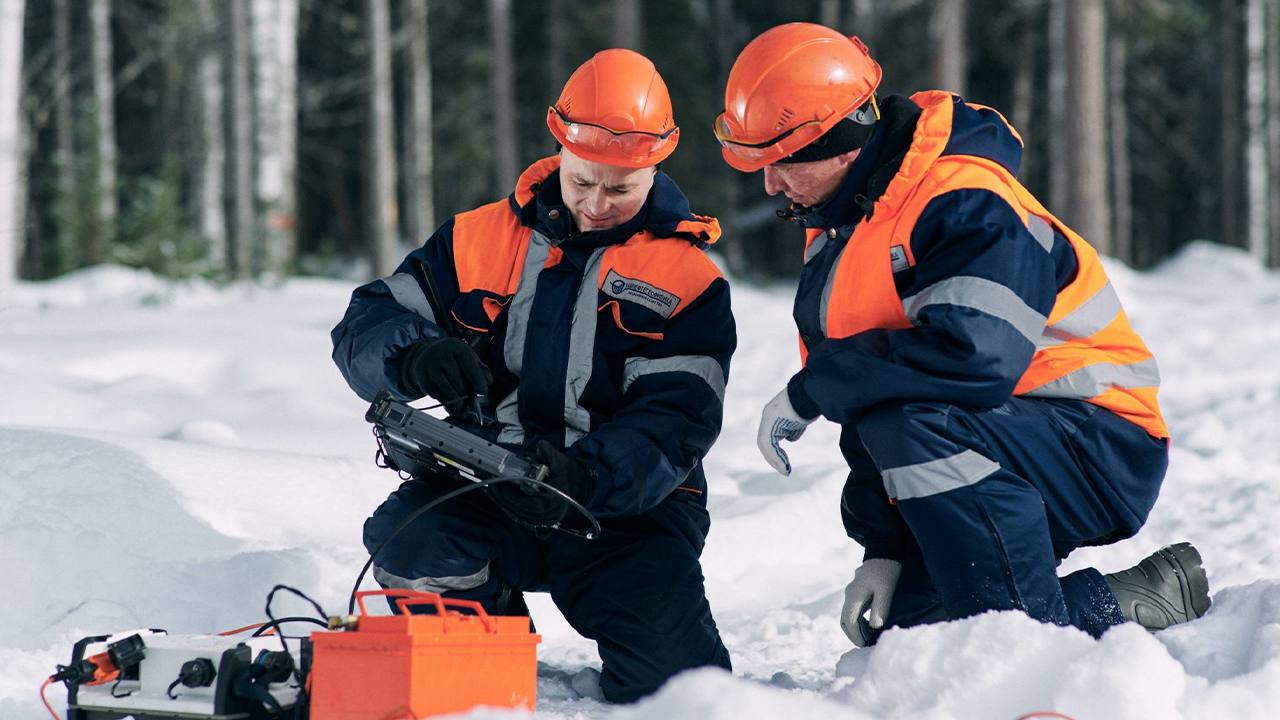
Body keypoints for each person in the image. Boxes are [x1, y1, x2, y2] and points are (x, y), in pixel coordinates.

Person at [714, 22, 1209, 647]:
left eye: (781, 163)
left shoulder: (966, 201)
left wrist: (811, 391)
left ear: (840, 143)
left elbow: (973, 360)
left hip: (1098, 441)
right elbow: (877, 396)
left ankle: (1021, 643)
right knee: (913, 635)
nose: (769, 184)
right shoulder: (843, 229)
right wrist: (884, 549)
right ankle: (1128, 601)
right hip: (1003, 435)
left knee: (978, 612)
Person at [331, 49, 735, 701]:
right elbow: (365, 322)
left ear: (660, 159)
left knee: (681, 695)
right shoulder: (473, 237)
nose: (598, 203)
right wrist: (415, 353)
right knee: (410, 543)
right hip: (483, 493)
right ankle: (485, 656)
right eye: (583, 182)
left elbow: (678, 420)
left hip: (623, 517)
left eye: (621, 187)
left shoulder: (689, 280)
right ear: (559, 143)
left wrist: (588, 477)